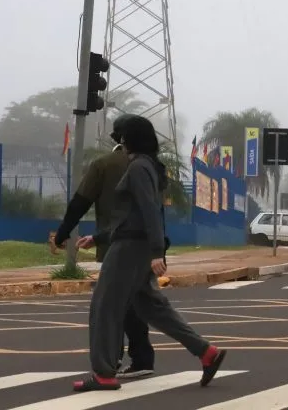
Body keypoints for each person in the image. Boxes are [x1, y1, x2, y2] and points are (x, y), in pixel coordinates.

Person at [72, 115, 226, 392]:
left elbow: (149, 211)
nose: (118, 141)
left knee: (104, 306)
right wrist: (98, 238)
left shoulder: (139, 167)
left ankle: (104, 374)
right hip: (136, 245)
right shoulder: (146, 166)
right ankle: (207, 353)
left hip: (130, 249)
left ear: (130, 138)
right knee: (151, 307)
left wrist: (157, 251)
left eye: (120, 135)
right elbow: (131, 215)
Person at [50, 114, 158, 379]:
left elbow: (80, 202)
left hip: (118, 246)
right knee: (144, 304)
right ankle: (154, 355)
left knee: (109, 306)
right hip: (144, 247)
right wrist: (158, 249)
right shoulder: (151, 165)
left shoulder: (104, 165)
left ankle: (111, 364)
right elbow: (153, 210)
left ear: (118, 138)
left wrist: (63, 233)